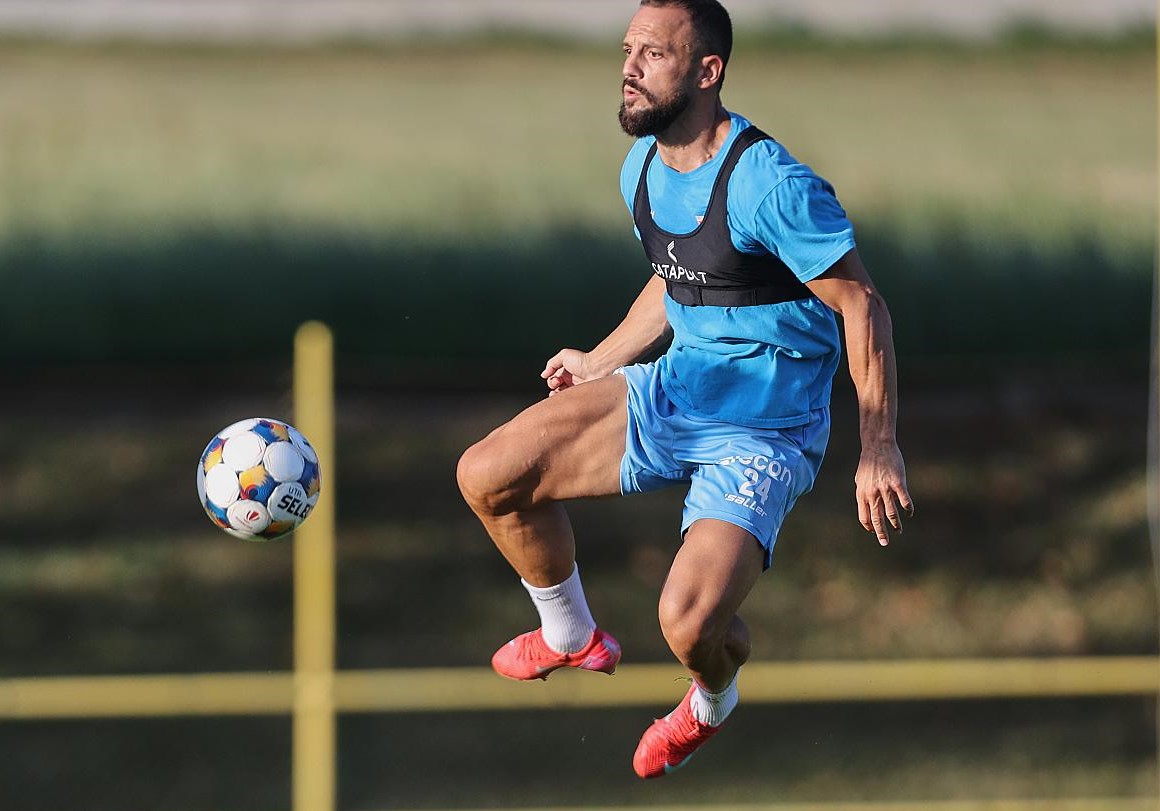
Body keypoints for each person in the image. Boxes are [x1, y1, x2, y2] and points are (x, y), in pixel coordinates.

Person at [456, 0, 913, 779]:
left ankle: (711, 699)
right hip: (675, 391)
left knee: (688, 622)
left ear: (708, 72)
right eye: (626, 50)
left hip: (765, 431)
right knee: (487, 475)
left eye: (653, 55)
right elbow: (681, 275)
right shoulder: (641, 168)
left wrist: (878, 444)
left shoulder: (770, 184)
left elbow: (863, 304)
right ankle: (569, 633)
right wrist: (600, 360)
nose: (629, 68)